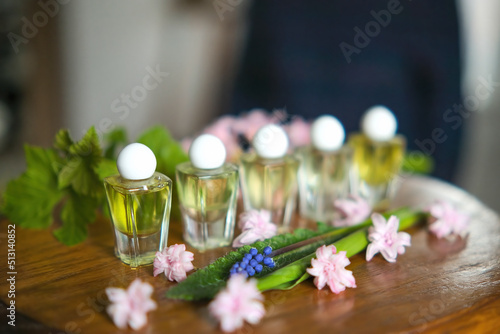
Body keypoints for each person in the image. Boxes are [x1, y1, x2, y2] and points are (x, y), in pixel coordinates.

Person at [230, 0, 462, 182]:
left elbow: (447, 107)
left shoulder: (431, 6)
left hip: (389, 198)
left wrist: (430, 206)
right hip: (281, 194)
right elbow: (246, 90)